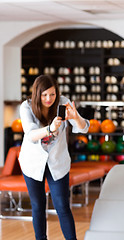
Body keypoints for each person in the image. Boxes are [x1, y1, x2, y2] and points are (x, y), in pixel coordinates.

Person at [19, 75, 89, 240]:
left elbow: (84, 128)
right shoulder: (26, 107)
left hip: (57, 162)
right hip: (33, 162)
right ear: (37, 94)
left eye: (52, 94)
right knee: (37, 206)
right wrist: (50, 128)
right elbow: (30, 134)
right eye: (44, 95)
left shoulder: (63, 102)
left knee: (62, 206)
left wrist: (75, 117)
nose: (49, 99)